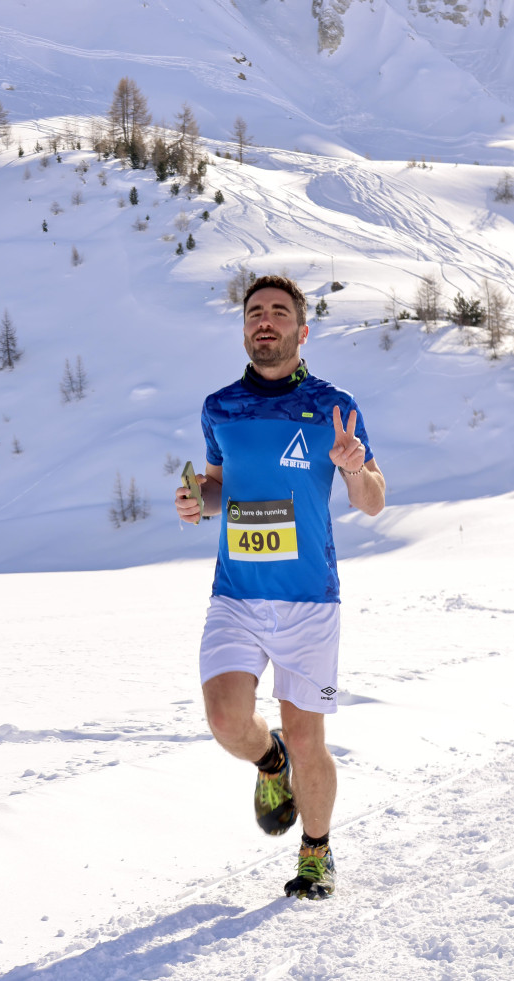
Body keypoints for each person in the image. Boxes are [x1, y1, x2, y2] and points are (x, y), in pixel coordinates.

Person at [175, 275, 386, 900]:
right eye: (255, 313)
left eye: (279, 312)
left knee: (307, 736)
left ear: (301, 328)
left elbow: (373, 501)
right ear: (244, 327)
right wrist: (197, 501)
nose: (265, 321)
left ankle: (315, 852)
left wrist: (354, 470)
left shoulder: (333, 404)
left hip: (308, 601)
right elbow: (218, 486)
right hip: (236, 593)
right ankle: (269, 763)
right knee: (224, 719)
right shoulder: (220, 407)